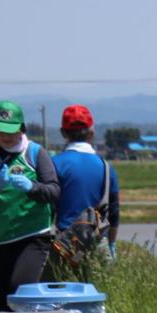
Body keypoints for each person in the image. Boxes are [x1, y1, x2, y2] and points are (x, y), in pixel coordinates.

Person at [0, 101, 60, 312]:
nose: (5, 136)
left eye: (10, 131)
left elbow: (54, 190)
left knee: (20, 292)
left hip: (31, 236)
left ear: (22, 128)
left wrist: (32, 187)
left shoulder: (35, 153)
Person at [52, 104, 120, 265]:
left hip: (63, 244)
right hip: (97, 242)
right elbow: (114, 213)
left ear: (63, 133)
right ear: (92, 132)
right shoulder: (106, 167)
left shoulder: (53, 164)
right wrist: (111, 244)